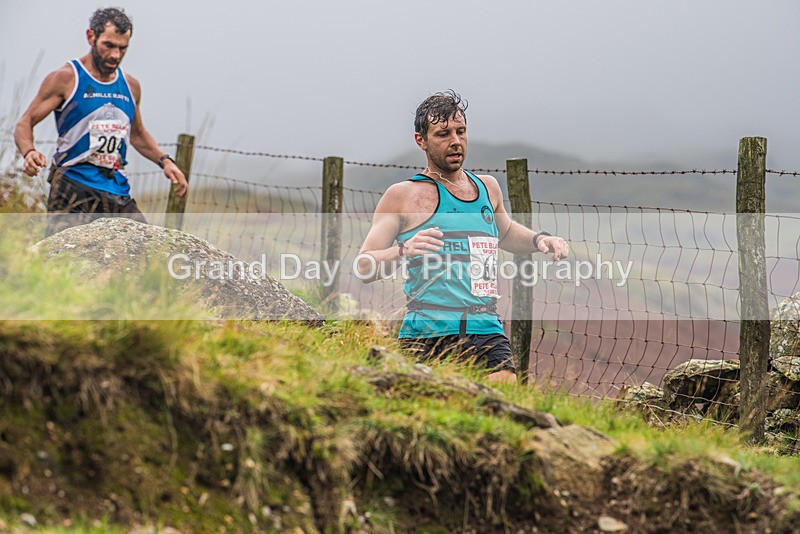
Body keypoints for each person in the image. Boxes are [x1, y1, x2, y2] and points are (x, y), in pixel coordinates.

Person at [357, 91, 569, 384]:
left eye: (461, 131)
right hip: (427, 329)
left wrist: (539, 240)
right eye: (443, 134)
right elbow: (364, 266)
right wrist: (403, 250)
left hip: (485, 324)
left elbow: (505, 232)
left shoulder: (488, 188)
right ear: (421, 140)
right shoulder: (401, 196)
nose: (455, 141)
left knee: (504, 389)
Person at [14, 7, 188, 236]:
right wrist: (29, 152)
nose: (115, 55)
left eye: (122, 48)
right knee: (64, 264)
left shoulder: (131, 86)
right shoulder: (66, 78)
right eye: (109, 45)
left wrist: (165, 161)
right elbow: (24, 123)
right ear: (91, 37)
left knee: (147, 255)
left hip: (116, 187)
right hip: (72, 187)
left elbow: (137, 133)